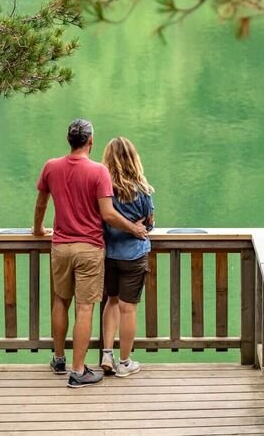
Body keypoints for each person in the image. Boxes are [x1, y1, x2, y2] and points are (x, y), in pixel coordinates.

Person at [32, 118, 148, 389]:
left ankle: (59, 359)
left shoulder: (51, 166)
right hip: (90, 248)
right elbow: (108, 214)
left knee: (61, 301)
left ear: (69, 140)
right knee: (85, 309)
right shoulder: (98, 172)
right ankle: (78, 371)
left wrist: (38, 230)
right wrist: (134, 228)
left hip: (60, 246)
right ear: (91, 141)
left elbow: (40, 204)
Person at [99, 137, 155, 378]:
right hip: (134, 254)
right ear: (134, 159)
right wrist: (140, 226)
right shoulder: (141, 189)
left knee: (111, 301)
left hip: (109, 253)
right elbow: (149, 222)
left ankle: (107, 355)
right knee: (128, 309)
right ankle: (124, 362)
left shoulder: (103, 188)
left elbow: (100, 217)